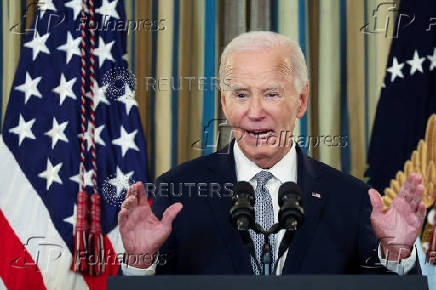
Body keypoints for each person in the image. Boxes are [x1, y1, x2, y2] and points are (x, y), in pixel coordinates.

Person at [118, 31, 426, 275]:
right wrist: (140, 263)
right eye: (241, 95)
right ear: (224, 103)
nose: (255, 111)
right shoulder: (177, 191)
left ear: (302, 101)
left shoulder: (351, 197)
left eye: (271, 94)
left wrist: (397, 253)